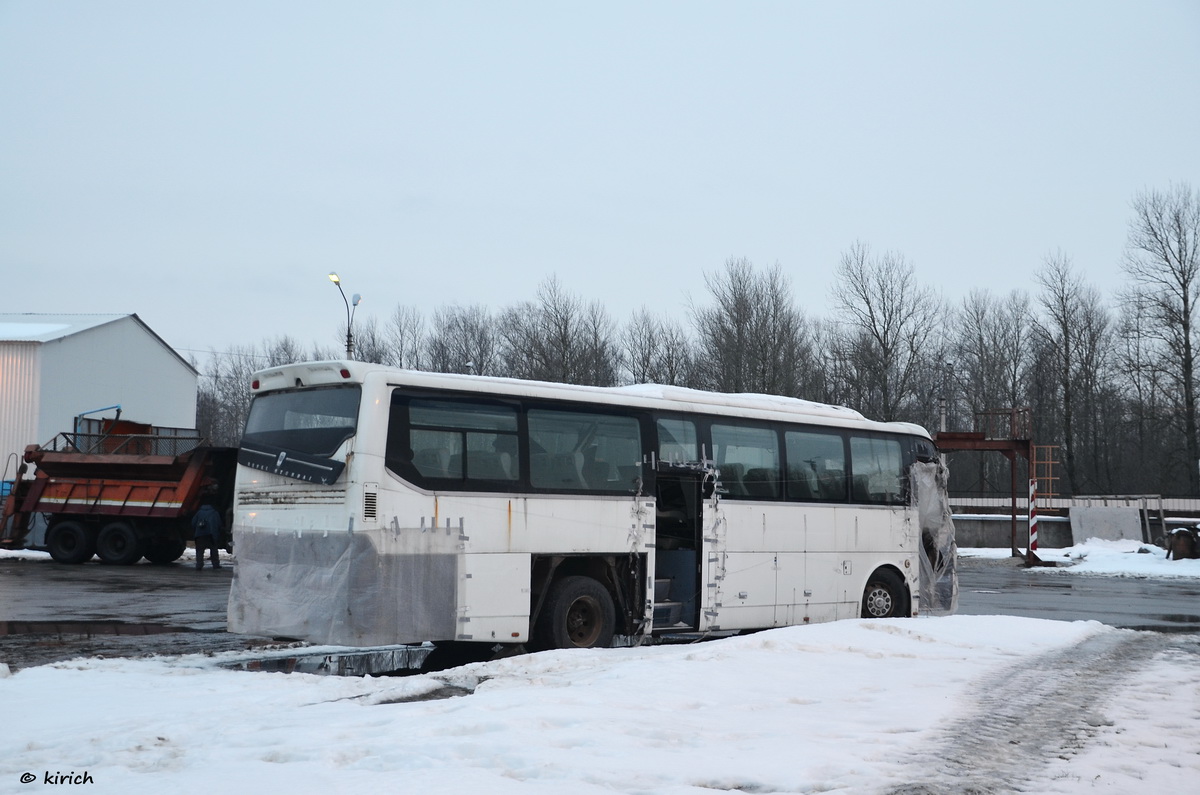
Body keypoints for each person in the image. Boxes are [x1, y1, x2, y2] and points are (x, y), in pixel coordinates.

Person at [191, 498, 223, 570]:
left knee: (199, 551)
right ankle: (215, 564)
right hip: (210, 535)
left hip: (200, 535)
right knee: (214, 550)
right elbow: (219, 524)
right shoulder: (214, 513)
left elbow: (193, 522)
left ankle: (199, 565)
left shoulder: (199, 512)